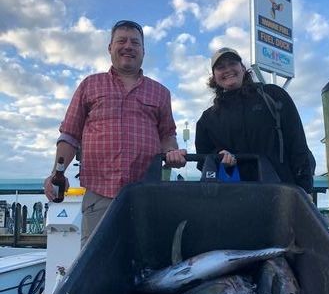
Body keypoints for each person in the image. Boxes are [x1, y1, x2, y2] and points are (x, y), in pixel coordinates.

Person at [44, 20, 186, 246]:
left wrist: (172, 153)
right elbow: (70, 134)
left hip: (146, 194)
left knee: (144, 260)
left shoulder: (161, 93)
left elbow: (167, 135)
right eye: (121, 40)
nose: (128, 46)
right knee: (96, 265)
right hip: (100, 195)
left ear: (143, 51)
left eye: (135, 42)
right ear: (110, 48)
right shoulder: (89, 85)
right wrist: (56, 173)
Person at [195, 47, 313, 194]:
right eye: (220, 67)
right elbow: (203, 161)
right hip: (233, 200)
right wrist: (218, 155)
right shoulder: (207, 119)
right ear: (214, 77)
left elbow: (297, 142)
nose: (228, 69)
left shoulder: (273, 95)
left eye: (233, 63)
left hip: (281, 195)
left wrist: (304, 189)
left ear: (243, 68)